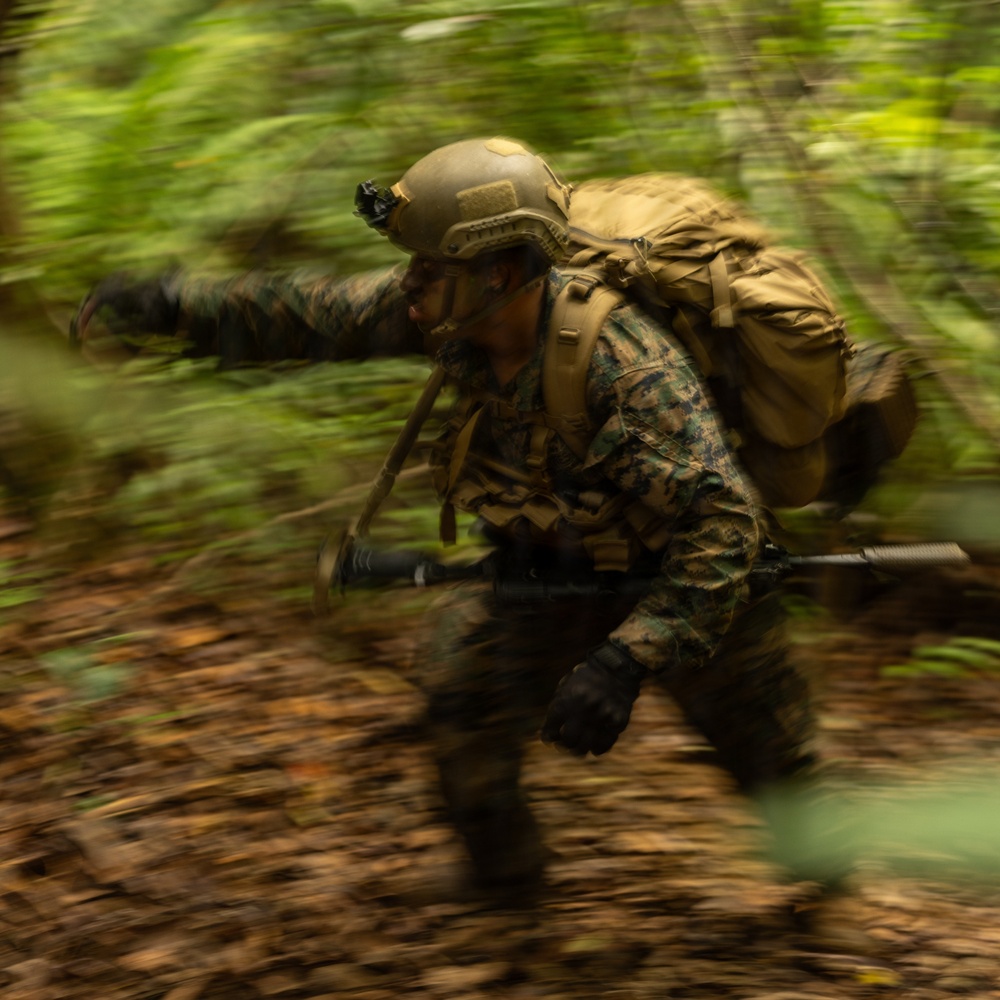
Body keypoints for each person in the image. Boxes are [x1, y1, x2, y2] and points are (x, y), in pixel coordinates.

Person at [74, 137, 867, 948]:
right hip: (542, 569)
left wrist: (628, 660)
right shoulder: (444, 310)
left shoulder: (625, 365)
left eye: (427, 267)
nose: (407, 283)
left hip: (688, 583)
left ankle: (830, 896)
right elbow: (307, 316)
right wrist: (168, 304)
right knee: (462, 700)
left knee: (771, 760)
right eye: (412, 266)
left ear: (499, 272)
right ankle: (506, 881)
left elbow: (722, 524)